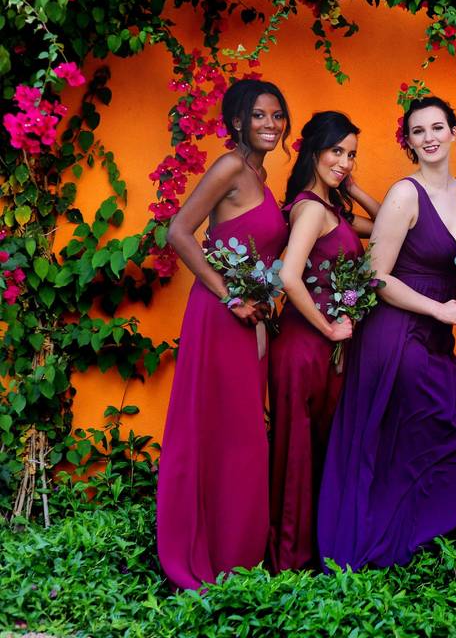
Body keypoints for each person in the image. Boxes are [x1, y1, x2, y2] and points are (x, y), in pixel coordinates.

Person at [314, 96, 456, 570]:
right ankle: (388, 541)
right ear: (409, 142)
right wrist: (439, 309)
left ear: (455, 132)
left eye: (439, 127)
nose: (430, 137)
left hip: (437, 331)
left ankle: (418, 539)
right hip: (397, 333)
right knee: (445, 432)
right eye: (419, 131)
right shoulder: (404, 194)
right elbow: (376, 276)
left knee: (452, 441)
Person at [157, 79, 290, 590]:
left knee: (242, 436)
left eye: (277, 116)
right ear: (237, 122)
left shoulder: (261, 176)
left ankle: (237, 553)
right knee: (221, 432)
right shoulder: (231, 167)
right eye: (259, 116)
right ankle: (205, 553)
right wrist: (230, 296)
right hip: (218, 317)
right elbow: (179, 231)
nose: (271, 125)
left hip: (249, 319)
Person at [267, 111, 381, 572]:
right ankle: (289, 562)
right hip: (303, 347)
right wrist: (330, 327)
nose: (344, 161)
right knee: (297, 452)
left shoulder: (330, 209)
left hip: (326, 353)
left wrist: (349, 185)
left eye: (351, 154)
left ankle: (313, 553)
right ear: (313, 151)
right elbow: (289, 277)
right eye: (337, 151)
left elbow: (389, 225)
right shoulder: (311, 210)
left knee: (321, 449)